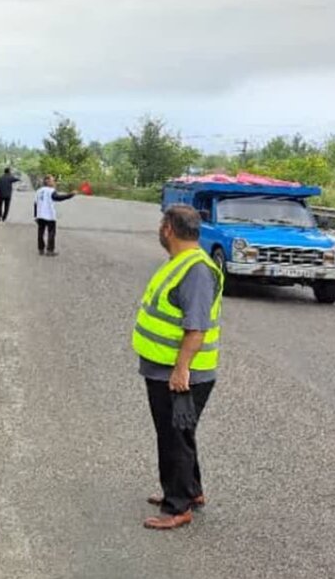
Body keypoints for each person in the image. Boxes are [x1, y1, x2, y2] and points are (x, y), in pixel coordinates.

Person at [133, 205, 223, 530]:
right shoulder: (183, 263)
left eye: (161, 223)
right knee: (181, 432)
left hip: (182, 373)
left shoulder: (196, 270)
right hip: (168, 369)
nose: (160, 229)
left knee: (173, 437)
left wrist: (181, 369)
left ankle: (177, 507)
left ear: (169, 228)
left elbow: (195, 328)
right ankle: (189, 490)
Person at [33, 175, 76, 256]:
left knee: (40, 232)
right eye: (52, 180)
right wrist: (70, 195)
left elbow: (35, 204)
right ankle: (50, 250)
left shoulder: (38, 191)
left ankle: (41, 249)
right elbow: (58, 198)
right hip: (49, 215)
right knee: (51, 233)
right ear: (48, 182)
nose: (54, 182)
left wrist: (35, 216)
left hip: (40, 215)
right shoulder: (51, 191)